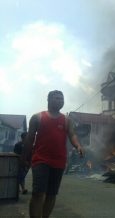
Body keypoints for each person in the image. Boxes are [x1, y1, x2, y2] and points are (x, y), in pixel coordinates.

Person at [22, 90, 84, 218]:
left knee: (51, 194)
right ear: (49, 100)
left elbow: (72, 135)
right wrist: (24, 158)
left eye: (62, 99)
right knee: (38, 193)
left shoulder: (67, 120)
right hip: (40, 159)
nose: (60, 101)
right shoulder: (37, 117)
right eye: (57, 98)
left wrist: (78, 145)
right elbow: (29, 138)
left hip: (59, 161)